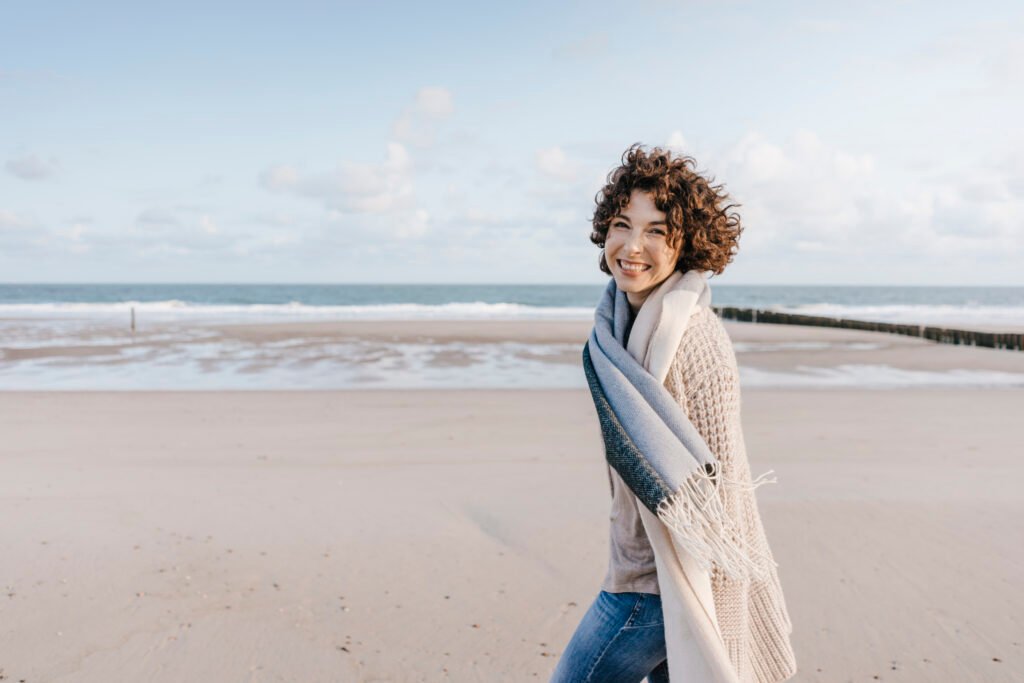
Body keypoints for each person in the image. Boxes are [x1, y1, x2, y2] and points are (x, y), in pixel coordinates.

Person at [550, 144, 796, 683]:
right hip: (639, 568)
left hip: (659, 588)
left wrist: (723, 610)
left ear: (687, 244)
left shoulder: (693, 340)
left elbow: (721, 485)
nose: (633, 246)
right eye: (622, 224)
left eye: (657, 231)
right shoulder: (615, 329)